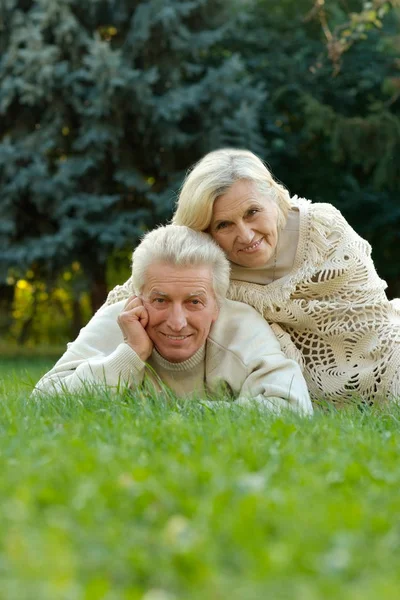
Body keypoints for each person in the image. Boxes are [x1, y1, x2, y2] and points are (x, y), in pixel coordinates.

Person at [106, 149, 400, 404]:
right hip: (279, 385)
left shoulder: (324, 230)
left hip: (379, 358)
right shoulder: (206, 264)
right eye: (223, 224)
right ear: (204, 231)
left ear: (275, 198)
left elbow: (371, 319)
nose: (246, 235)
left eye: (252, 212)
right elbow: (142, 291)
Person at [33, 225, 312, 415]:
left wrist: (184, 413)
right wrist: (130, 354)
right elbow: (43, 403)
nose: (177, 322)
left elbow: (293, 407)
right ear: (138, 297)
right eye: (160, 300)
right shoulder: (117, 320)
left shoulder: (241, 326)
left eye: (194, 302)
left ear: (216, 305)